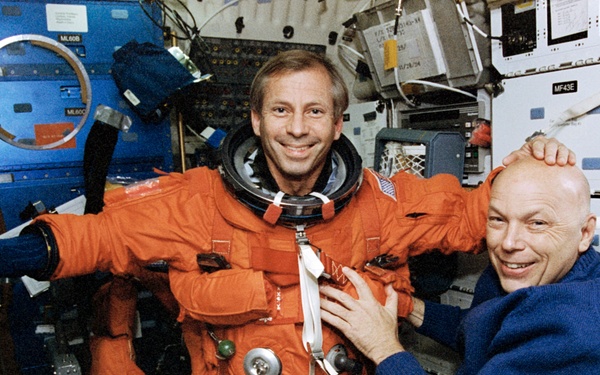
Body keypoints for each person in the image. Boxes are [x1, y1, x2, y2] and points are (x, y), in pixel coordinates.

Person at [0, 50, 574, 375]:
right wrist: (13, 253)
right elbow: (94, 238)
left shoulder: (385, 202)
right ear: (255, 120)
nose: (297, 129)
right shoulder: (196, 203)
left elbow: (478, 217)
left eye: (314, 112)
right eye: (280, 110)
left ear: (337, 123)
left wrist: (529, 167)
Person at [320, 156, 600, 374]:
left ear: (585, 233)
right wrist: (404, 305)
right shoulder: (536, 270)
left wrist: (383, 348)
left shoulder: (573, 333)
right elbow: (482, 328)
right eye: (498, 220)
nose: (509, 243)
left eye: (537, 223)